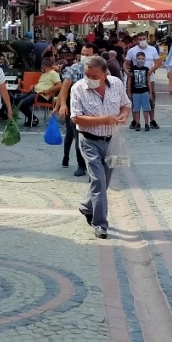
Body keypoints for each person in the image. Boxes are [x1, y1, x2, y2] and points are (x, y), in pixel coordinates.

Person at [70, 56, 131, 239]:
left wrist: (123, 115)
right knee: (98, 180)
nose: (89, 78)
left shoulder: (117, 84)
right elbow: (76, 118)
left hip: (111, 140)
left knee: (105, 180)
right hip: (89, 141)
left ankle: (86, 205)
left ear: (104, 74)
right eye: (86, 74)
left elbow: (125, 105)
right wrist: (101, 120)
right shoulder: (78, 88)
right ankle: (100, 224)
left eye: (93, 75)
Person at [54, 43, 96, 177]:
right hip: (75, 108)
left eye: (88, 55)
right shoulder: (74, 68)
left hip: (94, 109)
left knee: (94, 137)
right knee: (76, 136)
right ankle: (80, 165)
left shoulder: (101, 69)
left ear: (95, 55)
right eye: (83, 54)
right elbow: (64, 87)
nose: (84, 57)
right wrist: (62, 105)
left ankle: (94, 163)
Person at [124, 31, 161, 130]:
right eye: (140, 39)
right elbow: (126, 63)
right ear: (136, 40)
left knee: (151, 99)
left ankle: (151, 120)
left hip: (149, 78)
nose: (142, 41)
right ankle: (136, 121)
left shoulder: (152, 49)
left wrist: (151, 71)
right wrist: (127, 72)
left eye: (144, 39)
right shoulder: (132, 51)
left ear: (147, 39)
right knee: (134, 100)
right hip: (135, 80)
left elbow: (158, 62)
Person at [16, 57, 60, 127]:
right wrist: (34, 86)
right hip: (35, 92)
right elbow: (42, 84)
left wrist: (48, 90)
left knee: (22, 103)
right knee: (17, 101)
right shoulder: (44, 74)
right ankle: (32, 118)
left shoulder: (53, 73)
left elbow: (59, 85)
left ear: (43, 65)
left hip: (42, 95)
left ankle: (33, 119)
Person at [127, 51, 154, 131]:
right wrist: (129, 91)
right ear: (136, 59)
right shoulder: (132, 69)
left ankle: (146, 123)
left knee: (146, 108)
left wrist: (150, 92)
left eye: (142, 58)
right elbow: (129, 80)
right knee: (136, 109)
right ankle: (137, 123)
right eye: (139, 59)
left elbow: (148, 81)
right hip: (135, 92)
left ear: (145, 59)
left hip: (145, 91)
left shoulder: (146, 69)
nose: (141, 60)